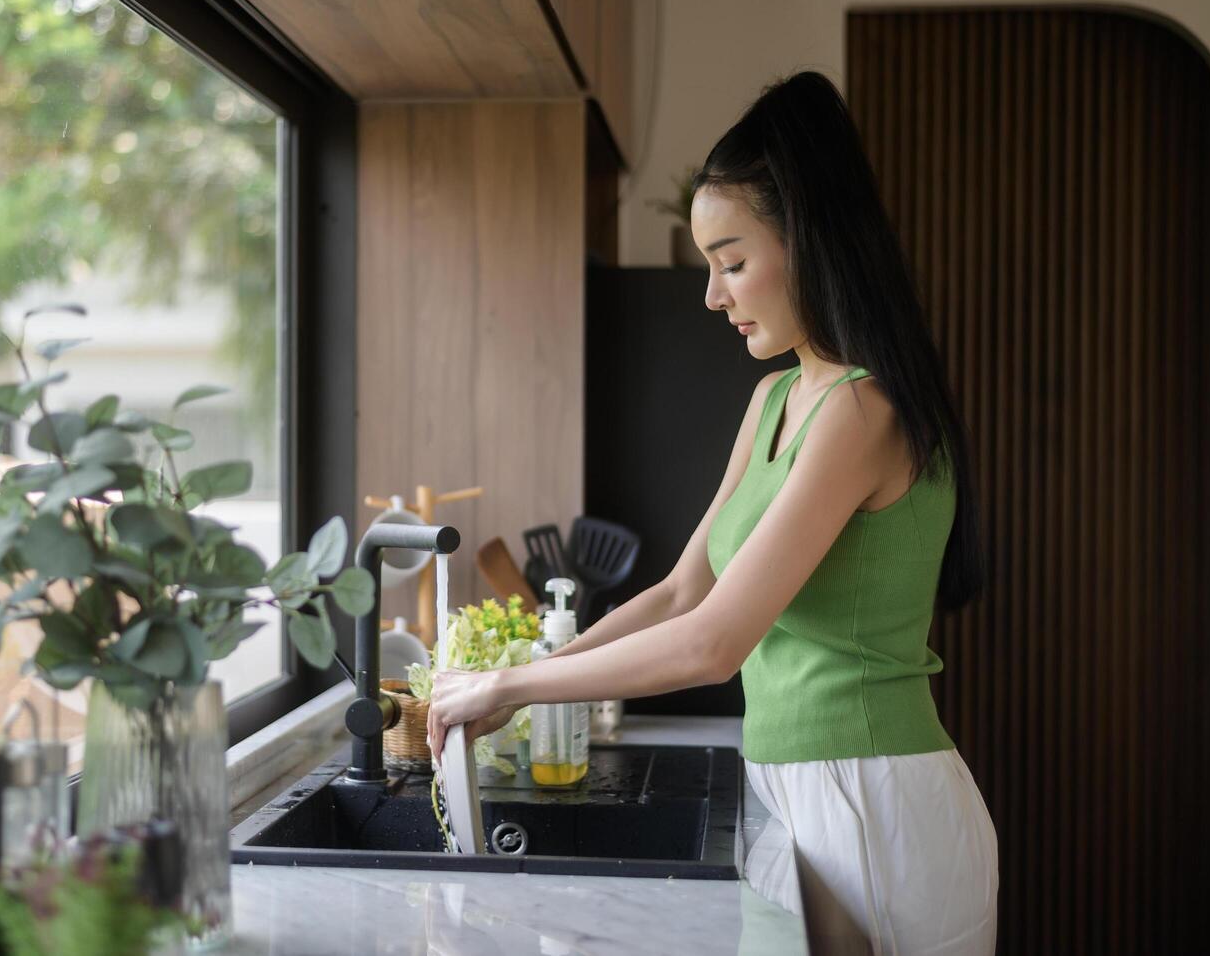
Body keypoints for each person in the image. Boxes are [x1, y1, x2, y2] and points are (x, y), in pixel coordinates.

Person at [427, 71, 999, 954]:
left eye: (731, 262)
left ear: (808, 240)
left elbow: (711, 643)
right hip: (786, 786)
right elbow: (680, 592)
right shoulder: (775, 401)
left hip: (872, 802)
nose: (712, 295)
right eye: (709, 267)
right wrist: (529, 683)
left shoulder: (862, 411)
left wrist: (513, 684)